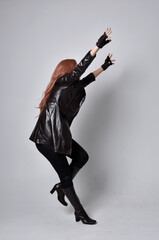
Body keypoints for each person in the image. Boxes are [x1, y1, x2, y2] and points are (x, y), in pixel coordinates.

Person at [29, 27, 115, 225]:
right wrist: (97, 46)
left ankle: (61, 187)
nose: (76, 72)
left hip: (59, 136)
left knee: (82, 156)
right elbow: (81, 71)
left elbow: (87, 79)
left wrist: (104, 66)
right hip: (46, 140)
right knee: (66, 175)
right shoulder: (61, 82)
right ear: (67, 72)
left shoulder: (72, 87)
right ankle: (80, 213)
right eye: (74, 69)